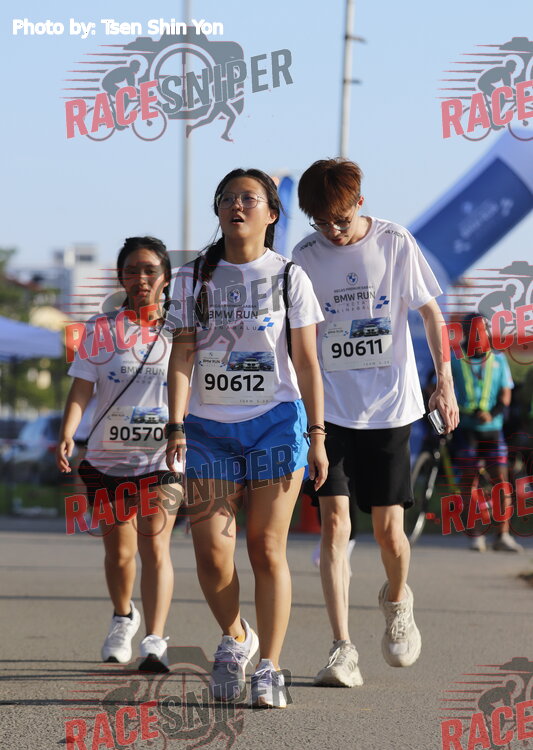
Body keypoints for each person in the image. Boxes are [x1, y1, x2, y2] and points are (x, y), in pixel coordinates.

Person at [292, 158, 459, 687]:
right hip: (330, 410)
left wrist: (444, 382)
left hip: (389, 408)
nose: (333, 231)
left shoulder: (394, 242)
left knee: (389, 533)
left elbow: (431, 314)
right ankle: (342, 648)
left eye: (340, 220)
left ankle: (397, 599)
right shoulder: (305, 256)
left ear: (359, 203)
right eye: (321, 221)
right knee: (335, 526)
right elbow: (298, 337)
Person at [166, 168, 328, 708]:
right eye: (228, 198)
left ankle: (270, 666)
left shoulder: (289, 276)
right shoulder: (192, 278)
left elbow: (307, 363)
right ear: (218, 211)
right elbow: (182, 354)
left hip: (276, 423)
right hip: (207, 429)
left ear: (271, 213)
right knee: (212, 553)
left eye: (249, 199)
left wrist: (318, 434)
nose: (237, 206)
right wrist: (175, 424)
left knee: (265, 546)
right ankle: (236, 638)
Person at [57, 236, 183, 672]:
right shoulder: (100, 329)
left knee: (155, 547)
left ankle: (155, 640)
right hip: (107, 459)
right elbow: (82, 387)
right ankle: (123, 616)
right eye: (132, 270)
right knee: (120, 554)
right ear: (120, 278)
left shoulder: (182, 331)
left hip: (161, 459)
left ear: (165, 277)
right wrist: (67, 432)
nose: (141, 278)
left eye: (150, 270)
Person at [450, 313, 522, 553]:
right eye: (473, 331)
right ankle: (475, 535)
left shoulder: (499, 360)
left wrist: (493, 413)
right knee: (468, 480)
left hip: (493, 430)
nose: (478, 336)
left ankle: (502, 535)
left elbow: (506, 393)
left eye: (482, 331)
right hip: (466, 430)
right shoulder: (454, 359)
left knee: (501, 480)